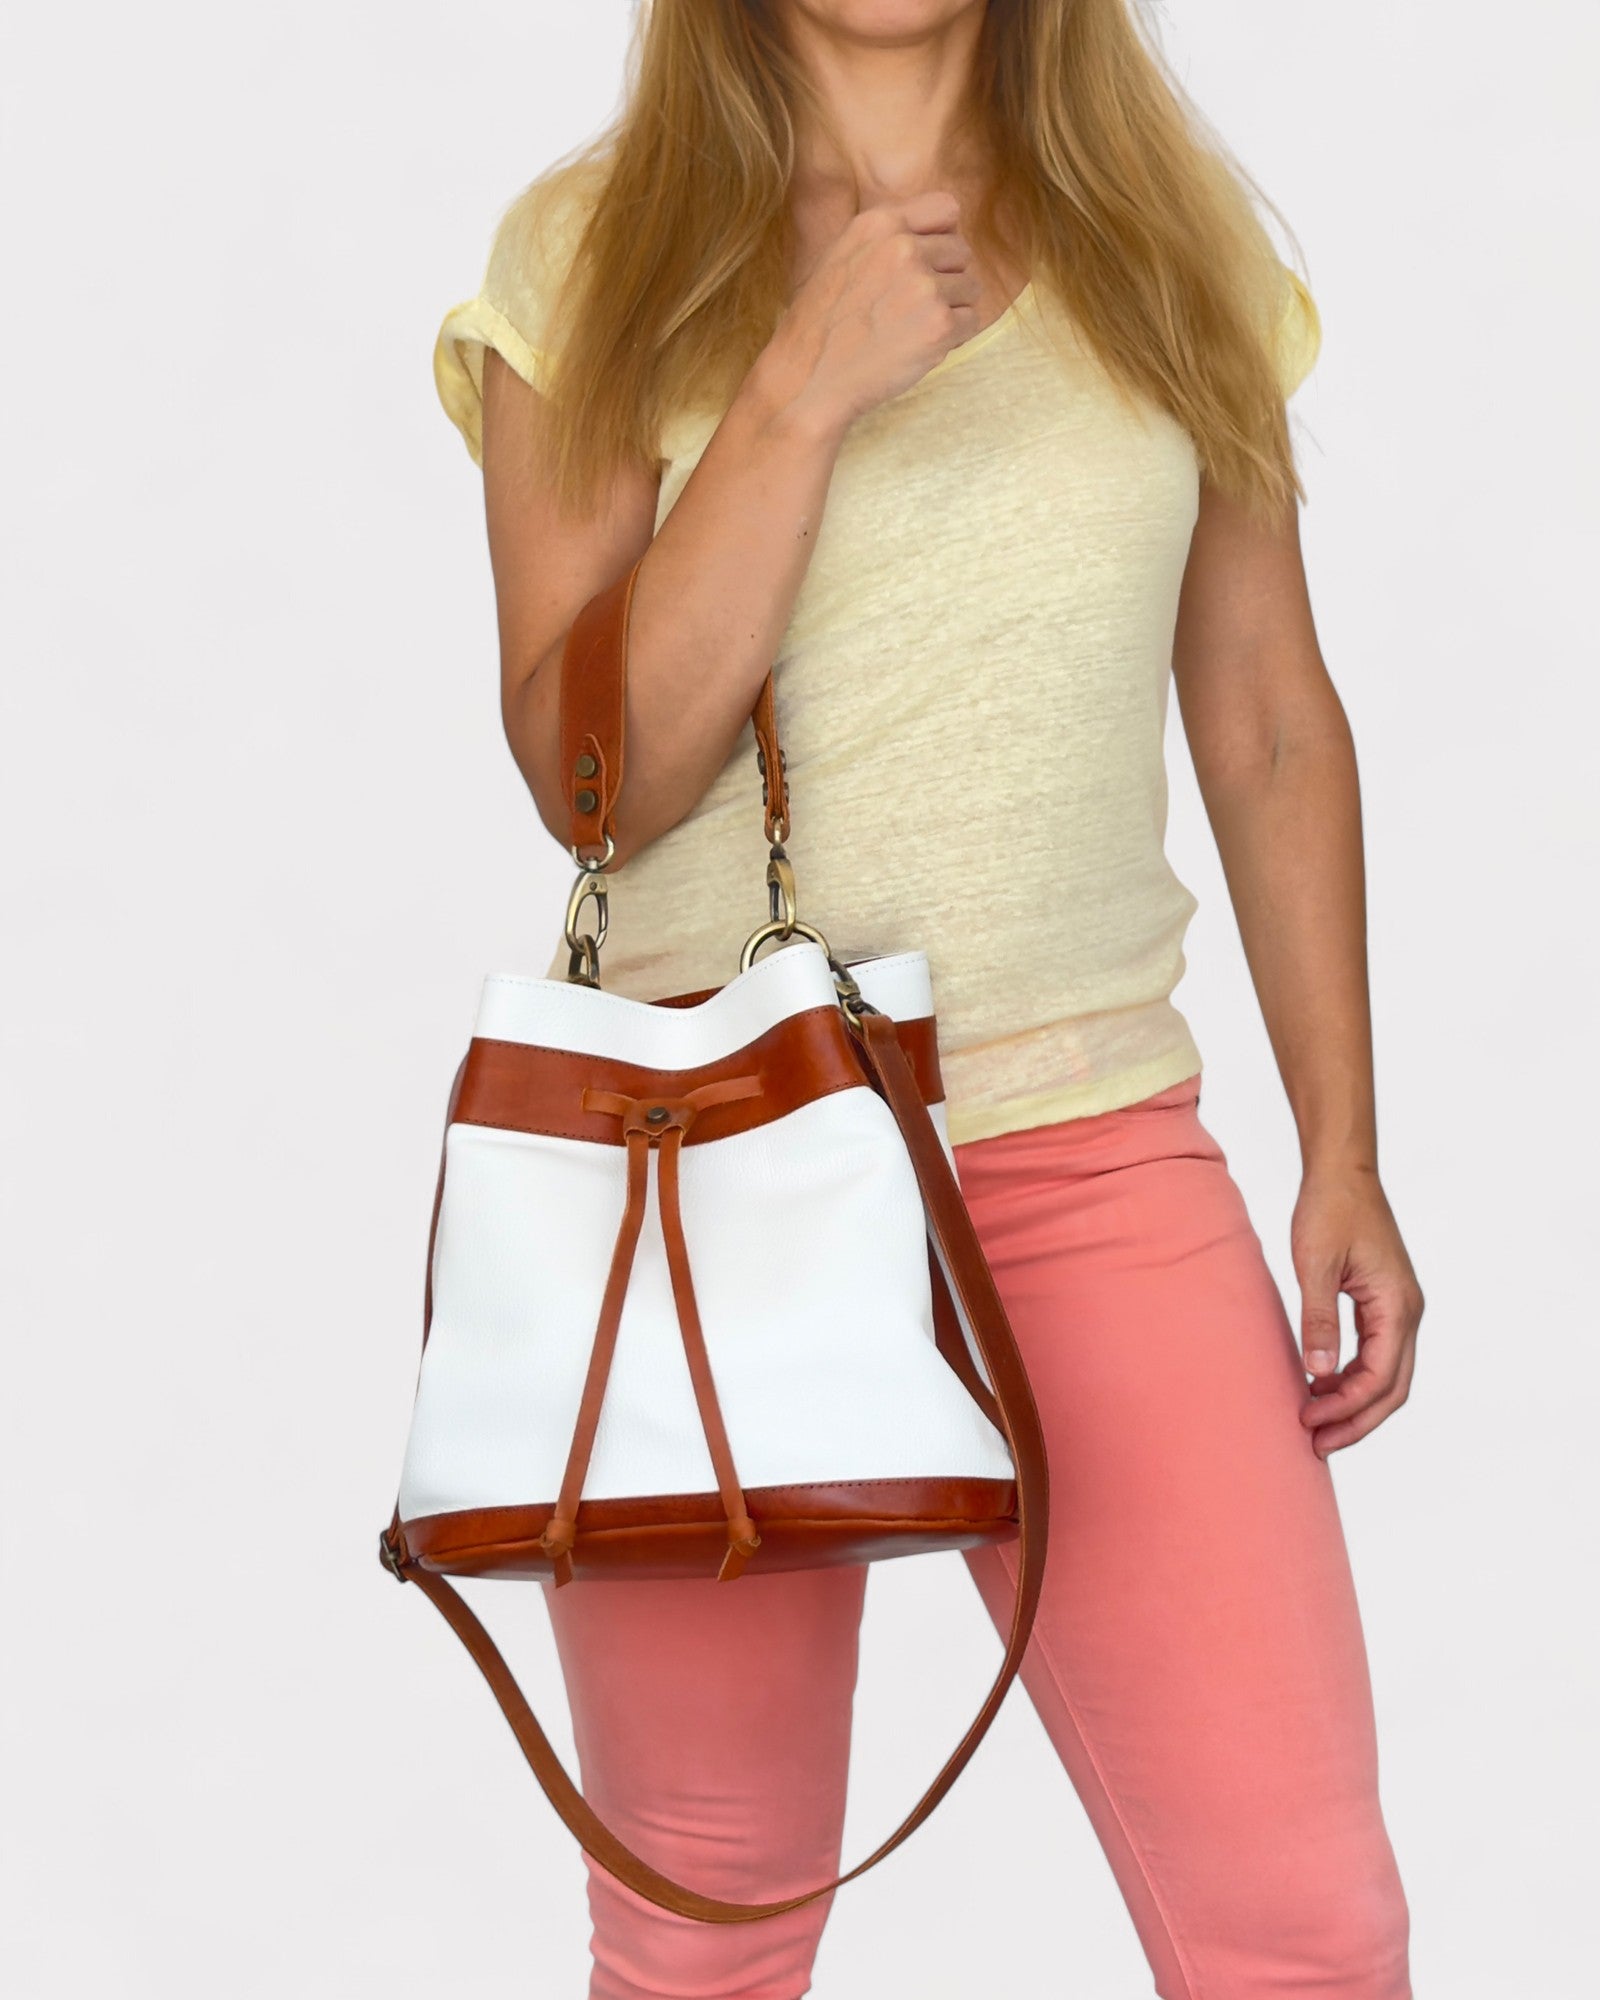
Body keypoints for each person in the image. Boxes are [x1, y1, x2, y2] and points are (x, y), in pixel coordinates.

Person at [430, 3, 1422, 1995]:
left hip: (1095, 1157)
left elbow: (1260, 713)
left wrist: (1344, 1146)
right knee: (707, 1920)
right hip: (712, 1176)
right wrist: (794, 397)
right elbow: (595, 786)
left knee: (1301, 1929)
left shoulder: (1164, 235)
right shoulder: (599, 250)